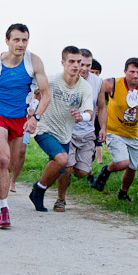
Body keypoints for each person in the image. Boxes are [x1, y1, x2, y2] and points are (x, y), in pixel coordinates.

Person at [0, 24, 50, 227]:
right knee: (4, 159)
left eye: (24, 40)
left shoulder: (34, 62)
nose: (21, 44)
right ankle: (4, 209)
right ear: (7, 41)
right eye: (16, 40)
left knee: (11, 163)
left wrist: (36, 118)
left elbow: (46, 94)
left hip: (21, 118)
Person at [30, 46, 94, 212]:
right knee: (62, 159)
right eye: (71, 61)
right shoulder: (51, 80)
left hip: (65, 134)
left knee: (61, 169)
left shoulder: (85, 87)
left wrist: (81, 116)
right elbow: (36, 94)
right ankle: (39, 191)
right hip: (44, 128)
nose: (76, 65)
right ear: (63, 63)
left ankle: (39, 188)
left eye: (79, 62)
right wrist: (32, 113)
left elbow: (90, 112)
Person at [92, 58, 138, 202]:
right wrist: (98, 106)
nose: (135, 75)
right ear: (125, 71)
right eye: (132, 72)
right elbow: (95, 89)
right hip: (114, 130)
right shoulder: (113, 83)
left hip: (133, 133)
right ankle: (106, 170)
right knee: (123, 162)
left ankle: (123, 193)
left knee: (132, 167)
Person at [54, 49, 103, 211]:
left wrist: (103, 128)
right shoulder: (64, 80)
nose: (84, 68)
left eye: (88, 65)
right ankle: (61, 199)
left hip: (87, 132)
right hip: (68, 131)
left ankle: (58, 169)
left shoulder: (98, 82)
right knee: (66, 168)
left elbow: (102, 107)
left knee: (82, 171)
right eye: (82, 64)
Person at [91, 59, 104, 164]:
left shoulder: (100, 85)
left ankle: (99, 161)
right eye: (92, 72)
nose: (95, 75)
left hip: (96, 119)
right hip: (84, 119)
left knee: (97, 139)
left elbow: (104, 105)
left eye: (97, 73)